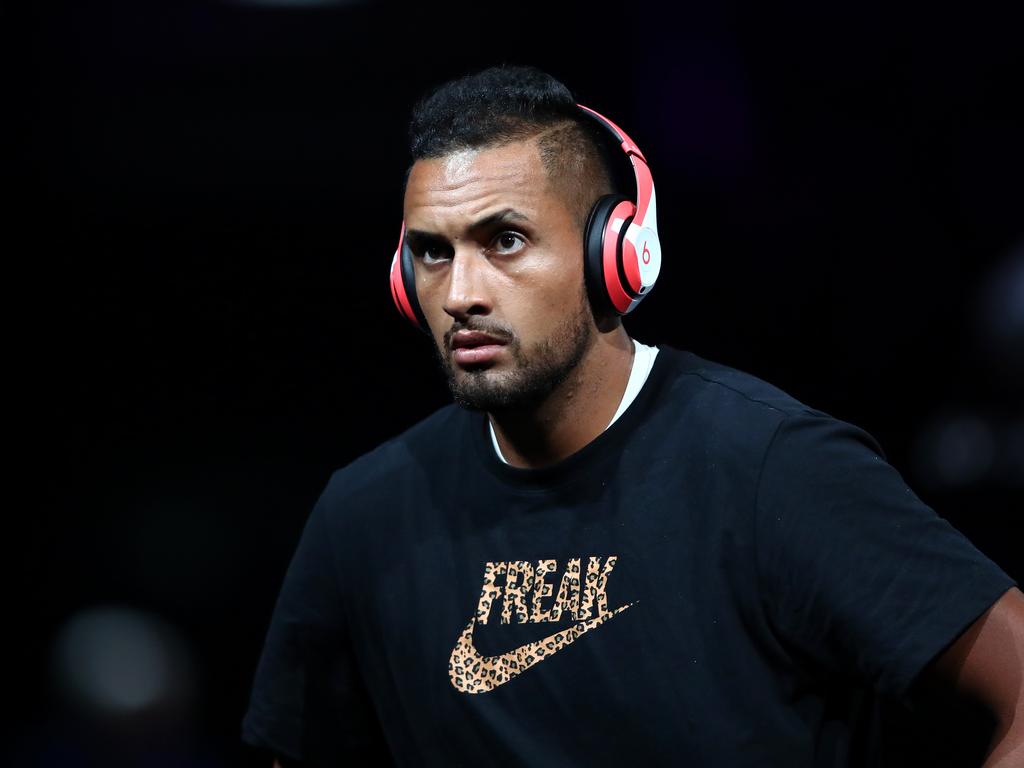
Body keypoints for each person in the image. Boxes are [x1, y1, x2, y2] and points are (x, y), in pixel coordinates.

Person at [242, 65, 1024, 767]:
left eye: (505, 240)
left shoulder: (775, 467)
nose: (460, 294)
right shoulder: (364, 515)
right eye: (433, 252)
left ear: (615, 254)